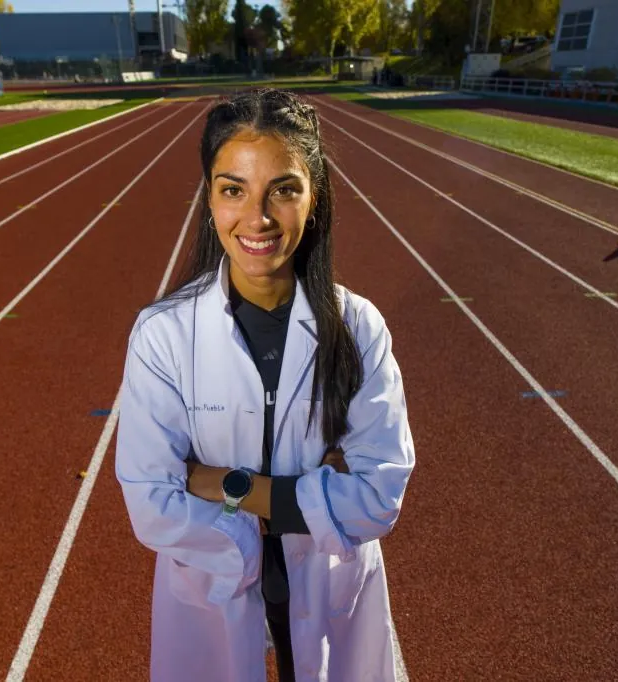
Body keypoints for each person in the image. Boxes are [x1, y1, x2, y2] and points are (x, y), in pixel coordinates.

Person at [114, 89, 415, 682]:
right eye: (234, 190)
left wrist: (224, 486)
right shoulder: (163, 335)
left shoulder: (358, 327)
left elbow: (380, 495)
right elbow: (152, 504)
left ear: (315, 195)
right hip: (214, 591)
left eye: (283, 189)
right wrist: (313, 497)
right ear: (209, 199)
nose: (258, 218)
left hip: (328, 593)